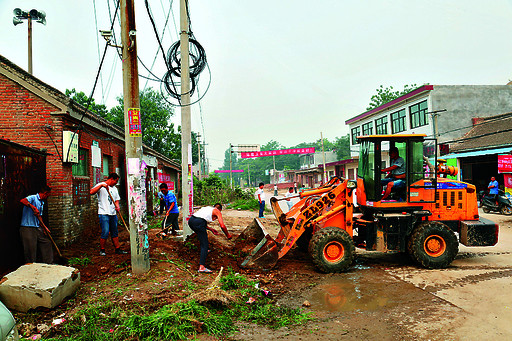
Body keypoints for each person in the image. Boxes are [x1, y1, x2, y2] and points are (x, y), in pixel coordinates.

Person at [90, 173, 127, 256]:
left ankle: (117, 249)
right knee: (105, 231)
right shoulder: (101, 185)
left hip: (113, 214)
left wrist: (117, 206)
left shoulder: (114, 189)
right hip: (103, 213)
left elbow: (117, 200)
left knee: (115, 232)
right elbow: (91, 192)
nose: (116, 183)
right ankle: (102, 250)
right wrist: (102, 186)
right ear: (111, 179)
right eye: (116, 181)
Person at [188, 204, 232, 273]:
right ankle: (202, 267)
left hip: (191, 221)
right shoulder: (217, 211)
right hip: (199, 223)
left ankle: (205, 251)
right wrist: (228, 235)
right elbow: (222, 226)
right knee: (204, 245)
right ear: (220, 209)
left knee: (202, 237)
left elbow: (200, 219)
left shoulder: (207, 208)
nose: (215, 218)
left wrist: (211, 229)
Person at [20, 185, 53, 264]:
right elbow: (22, 201)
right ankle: (31, 266)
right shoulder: (33, 197)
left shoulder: (42, 202)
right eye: (48, 195)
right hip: (28, 227)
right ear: (45, 193)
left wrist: (45, 228)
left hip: (37, 227)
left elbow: (39, 217)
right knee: (31, 248)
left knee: (46, 242)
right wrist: (33, 207)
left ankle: (48, 263)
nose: (48, 197)